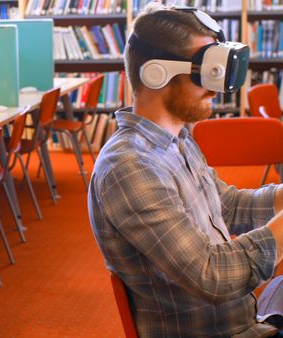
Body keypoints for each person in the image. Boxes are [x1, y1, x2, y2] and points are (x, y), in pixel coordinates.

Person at [88, 4, 283, 337]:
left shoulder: (177, 139)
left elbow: (228, 206)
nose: (214, 88)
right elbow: (212, 275)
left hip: (245, 319)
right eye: (205, 72)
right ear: (156, 74)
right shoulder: (130, 167)